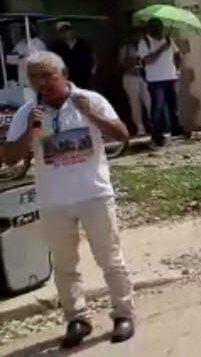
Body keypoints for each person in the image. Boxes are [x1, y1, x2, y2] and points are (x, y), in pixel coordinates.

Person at [3, 52, 135, 348]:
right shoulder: (27, 112)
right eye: (34, 77)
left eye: (48, 75)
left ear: (64, 74)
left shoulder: (90, 100)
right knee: (64, 264)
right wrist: (29, 133)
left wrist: (92, 116)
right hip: (54, 201)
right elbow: (10, 158)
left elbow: (123, 135)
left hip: (95, 195)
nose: (42, 83)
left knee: (110, 258)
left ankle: (123, 313)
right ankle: (77, 318)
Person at [137, 19, 186, 147]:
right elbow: (147, 60)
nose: (158, 29)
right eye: (155, 27)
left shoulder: (169, 40)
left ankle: (176, 128)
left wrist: (178, 65)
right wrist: (162, 49)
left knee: (173, 106)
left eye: (159, 27)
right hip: (155, 80)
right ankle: (157, 134)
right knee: (157, 108)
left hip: (170, 76)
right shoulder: (144, 43)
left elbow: (177, 54)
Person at [118, 28, 151, 136]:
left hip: (146, 77)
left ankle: (155, 125)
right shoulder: (126, 48)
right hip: (131, 77)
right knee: (134, 103)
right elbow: (121, 63)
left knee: (150, 102)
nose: (139, 37)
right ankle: (140, 128)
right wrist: (133, 61)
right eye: (137, 35)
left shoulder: (148, 47)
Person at [50, 22, 96, 90]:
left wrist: (93, 69)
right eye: (62, 31)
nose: (66, 33)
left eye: (68, 30)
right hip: (68, 80)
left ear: (72, 31)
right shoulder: (56, 47)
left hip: (85, 78)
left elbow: (93, 55)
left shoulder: (83, 44)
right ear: (58, 34)